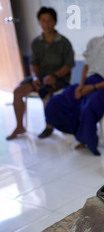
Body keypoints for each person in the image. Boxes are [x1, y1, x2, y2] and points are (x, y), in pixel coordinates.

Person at [44, 9, 104, 156]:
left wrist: (92, 88)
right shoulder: (94, 42)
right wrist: (81, 85)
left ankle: (87, 141)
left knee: (90, 105)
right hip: (87, 81)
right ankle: (78, 130)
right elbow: (86, 66)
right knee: (56, 102)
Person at [6, 7, 74, 140]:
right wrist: (36, 77)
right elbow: (33, 63)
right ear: (39, 22)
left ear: (55, 22)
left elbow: (68, 65)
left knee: (45, 92)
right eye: (43, 21)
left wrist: (54, 76)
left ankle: (49, 125)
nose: (46, 24)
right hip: (41, 76)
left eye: (49, 21)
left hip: (59, 77)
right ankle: (20, 126)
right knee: (18, 91)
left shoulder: (64, 42)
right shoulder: (36, 43)